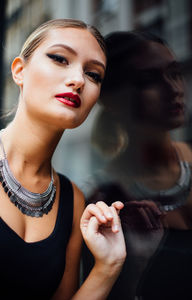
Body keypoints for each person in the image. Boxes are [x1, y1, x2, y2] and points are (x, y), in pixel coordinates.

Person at [0, 19, 127, 300]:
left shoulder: (73, 201)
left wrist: (108, 265)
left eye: (94, 75)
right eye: (60, 59)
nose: (79, 80)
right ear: (20, 71)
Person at [82, 31, 192, 300]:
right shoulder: (102, 203)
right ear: (112, 100)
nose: (174, 89)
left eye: (174, 73)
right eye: (149, 81)